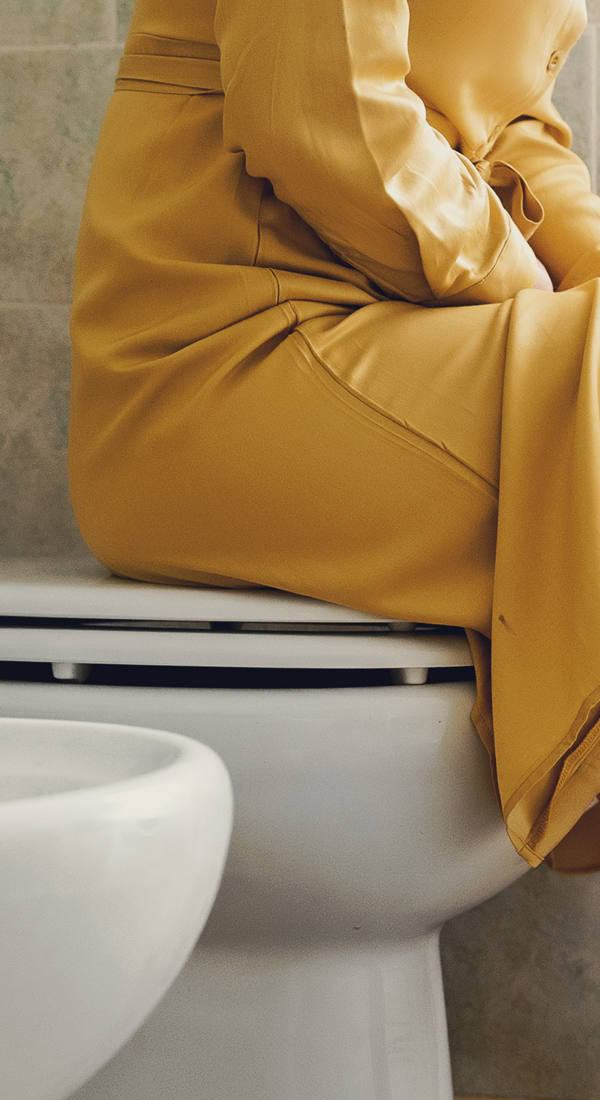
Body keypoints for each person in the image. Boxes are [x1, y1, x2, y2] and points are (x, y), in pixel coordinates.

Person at [68, 0, 600, 873]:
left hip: (405, 319)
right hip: (225, 355)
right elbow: (318, 113)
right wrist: (532, 290)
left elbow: (516, 132)